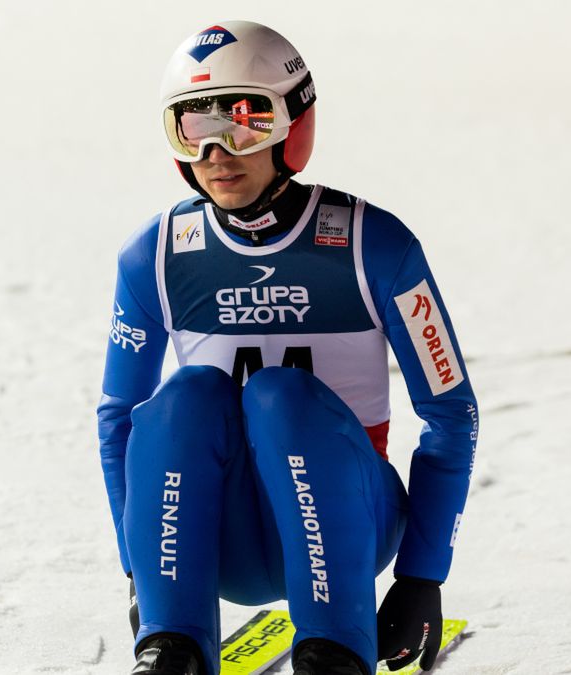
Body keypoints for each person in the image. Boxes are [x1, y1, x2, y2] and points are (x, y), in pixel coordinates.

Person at [97, 20, 479, 675]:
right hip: (219, 536)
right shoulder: (156, 255)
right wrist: (142, 571)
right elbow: (117, 418)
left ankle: (334, 646)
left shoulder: (372, 245)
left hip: (350, 518)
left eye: (245, 120)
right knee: (187, 395)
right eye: (192, 127)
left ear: (292, 124)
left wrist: (421, 574)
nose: (217, 151)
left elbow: (451, 414)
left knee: (281, 395)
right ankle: (174, 645)